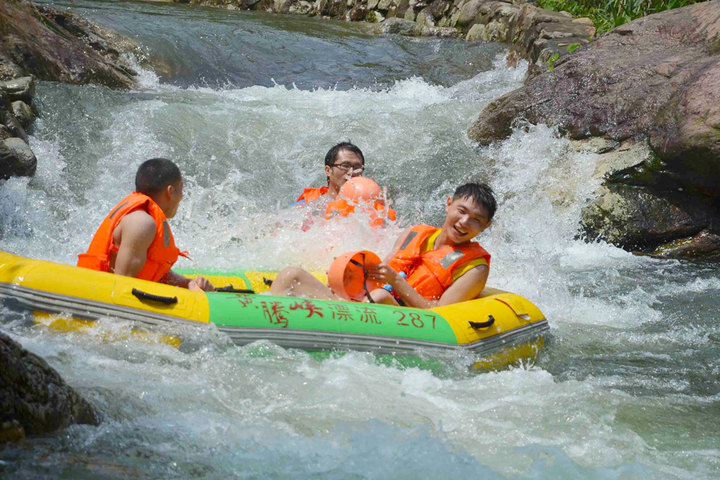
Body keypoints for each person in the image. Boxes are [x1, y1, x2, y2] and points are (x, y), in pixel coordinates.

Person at [271, 182, 496, 308]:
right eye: (462, 211)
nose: (464, 222)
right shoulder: (415, 233)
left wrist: (396, 281)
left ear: (486, 226)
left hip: (410, 318)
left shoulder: (475, 269)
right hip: (371, 301)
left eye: (476, 220)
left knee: (379, 298)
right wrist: (350, 272)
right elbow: (379, 276)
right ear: (449, 205)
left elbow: (440, 313)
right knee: (291, 275)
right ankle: (273, 326)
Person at [77, 158, 214, 292]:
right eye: (181, 190)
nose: (182, 196)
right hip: (94, 296)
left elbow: (151, 268)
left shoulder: (143, 218)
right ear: (170, 191)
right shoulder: (142, 223)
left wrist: (188, 283)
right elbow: (121, 287)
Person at [294, 142, 365, 205]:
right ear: (328, 170)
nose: (351, 172)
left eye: (357, 167)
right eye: (345, 166)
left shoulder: (369, 204)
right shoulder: (308, 205)